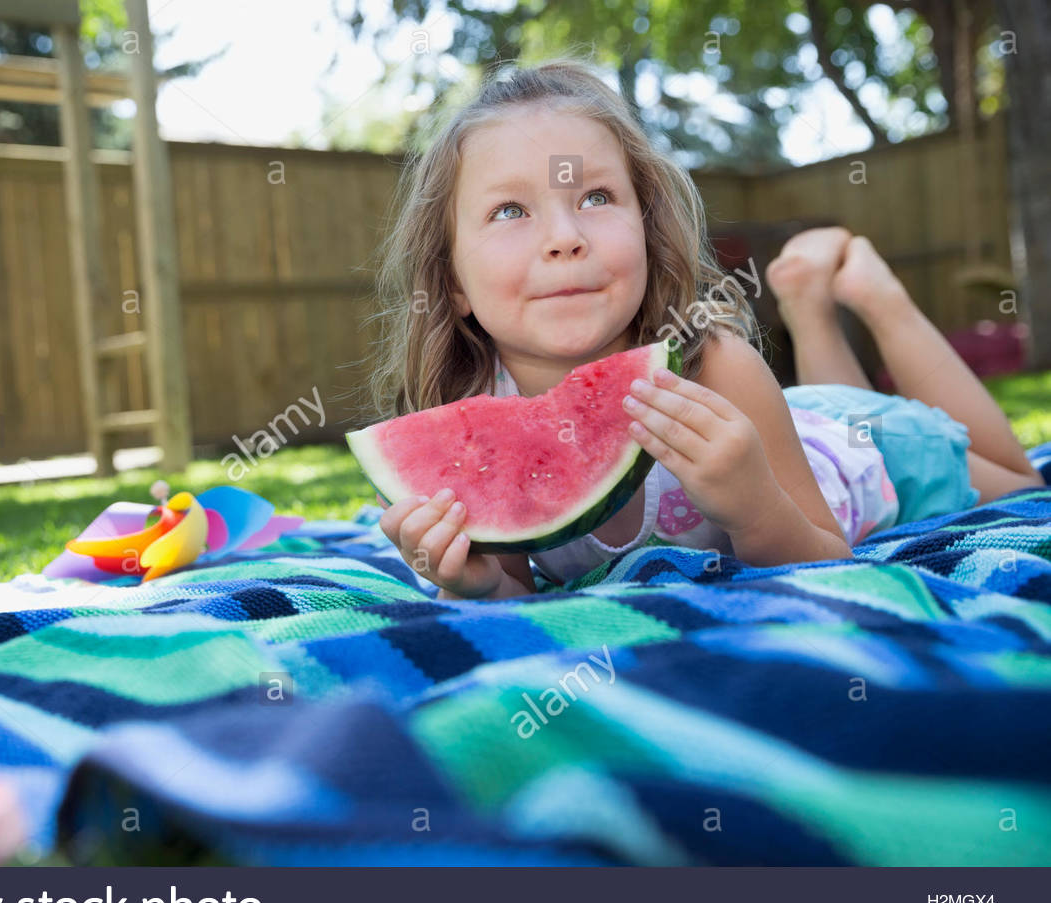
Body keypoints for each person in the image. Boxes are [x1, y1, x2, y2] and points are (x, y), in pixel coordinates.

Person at [364, 57, 1044, 601]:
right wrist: (476, 585)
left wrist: (756, 509)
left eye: (596, 197)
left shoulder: (717, 366)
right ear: (453, 282)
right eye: (510, 210)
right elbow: (511, 591)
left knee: (1023, 486)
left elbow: (829, 561)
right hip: (789, 425)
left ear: (648, 228)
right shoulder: (474, 418)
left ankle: (878, 297)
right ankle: (811, 311)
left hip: (867, 457)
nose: (565, 238)